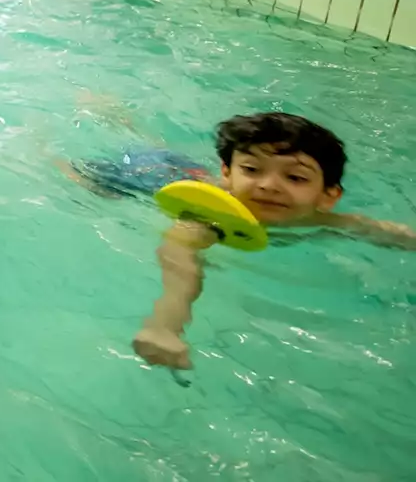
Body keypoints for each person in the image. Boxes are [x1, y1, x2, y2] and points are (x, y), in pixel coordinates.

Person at [123, 113, 416, 371]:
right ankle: (120, 121)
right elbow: (179, 256)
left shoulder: (320, 221)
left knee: (158, 147)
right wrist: (164, 326)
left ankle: (125, 122)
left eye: (295, 178)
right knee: (125, 162)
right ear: (227, 174)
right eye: (251, 170)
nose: (268, 185)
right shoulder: (208, 218)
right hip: (145, 179)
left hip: (189, 172)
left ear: (329, 196)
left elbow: (387, 232)